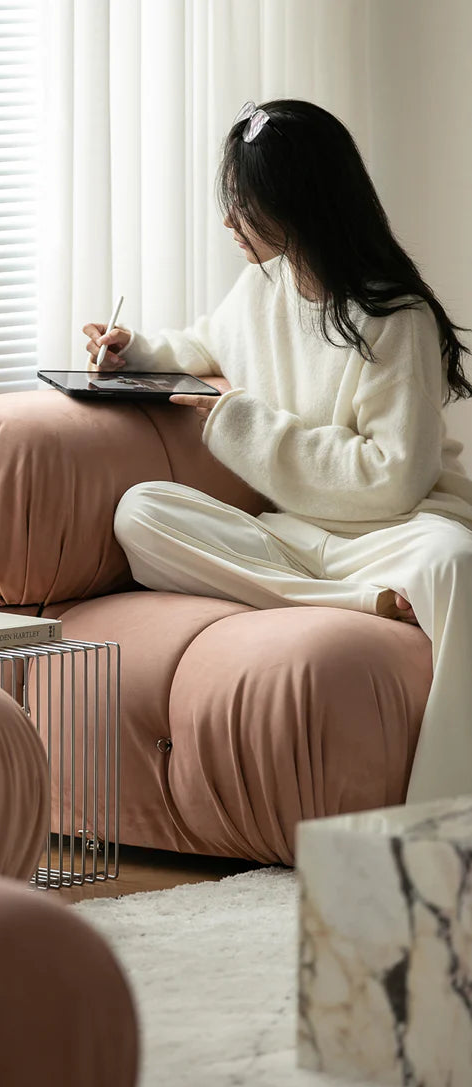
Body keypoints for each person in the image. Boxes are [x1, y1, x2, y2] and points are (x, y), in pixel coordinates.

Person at [82, 99, 472, 805]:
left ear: (298, 204)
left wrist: (238, 420)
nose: (230, 222)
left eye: (245, 205)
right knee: (142, 514)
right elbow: (203, 344)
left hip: (391, 534)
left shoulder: (394, 315)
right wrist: (131, 349)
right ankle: (367, 605)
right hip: (294, 536)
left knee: (456, 563)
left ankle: (442, 811)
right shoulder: (259, 284)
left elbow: (391, 482)